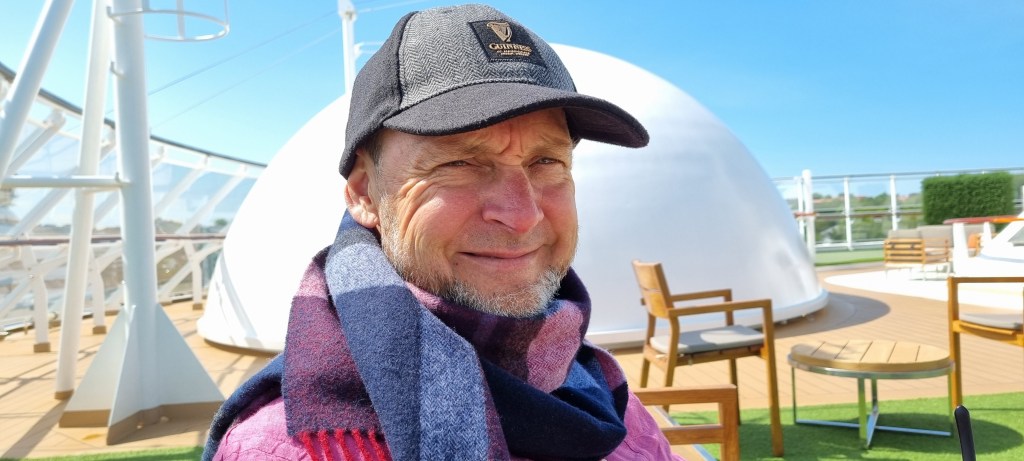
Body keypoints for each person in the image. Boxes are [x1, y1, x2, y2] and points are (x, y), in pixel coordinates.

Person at [204, 4, 682, 460]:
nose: (522, 215)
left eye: (546, 160)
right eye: (459, 163)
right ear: (365, 194)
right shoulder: (291, 444)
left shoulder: (589, 381)